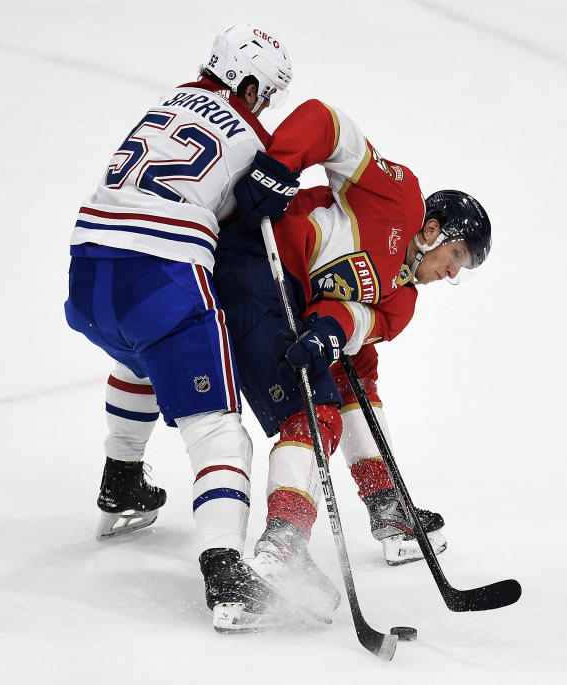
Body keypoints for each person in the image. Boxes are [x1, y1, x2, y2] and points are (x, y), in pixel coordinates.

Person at [211, 97, 492, 628]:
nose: (454, 274)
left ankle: (386, 506)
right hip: (254, 260)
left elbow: (354, 322)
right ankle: (283, 543)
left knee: (355, 370)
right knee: (319, 410)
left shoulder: (404, 301)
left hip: (289, 303)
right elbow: (324, 120)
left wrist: (328, 332)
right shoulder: (400, 196)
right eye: (457, 256)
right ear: (433, 230)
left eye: (465, 269)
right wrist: (279, 165)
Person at [64, 24, 304, 625]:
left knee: (140, 350)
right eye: (265, 92)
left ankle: (121, 478)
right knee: (219, 428)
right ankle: (225, 575)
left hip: (87, 267)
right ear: (247, 83)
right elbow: (250, 215)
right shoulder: (253, 137)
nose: (265, 104)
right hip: (161, 271)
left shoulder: (165, 102)